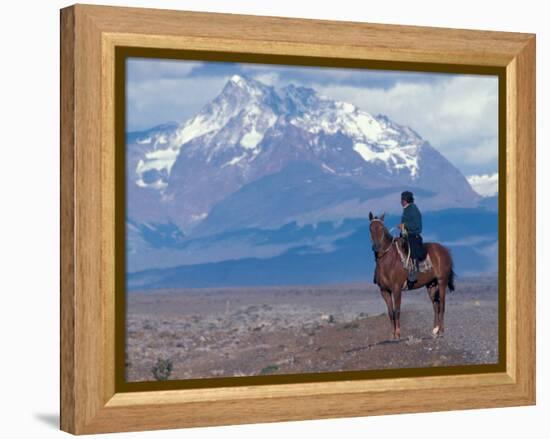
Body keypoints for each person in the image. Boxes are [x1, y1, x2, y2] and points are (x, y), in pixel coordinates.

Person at [398, 191, 427, 288]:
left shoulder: (413, 209)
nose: (401, 201)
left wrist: (404, 225)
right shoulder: (407, 209)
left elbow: (416, 225)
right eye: (402, 199)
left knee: (412, 249)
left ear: (406, 200)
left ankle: (415, 268)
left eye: (403, 199)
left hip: (413, 236)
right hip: (405, 235)